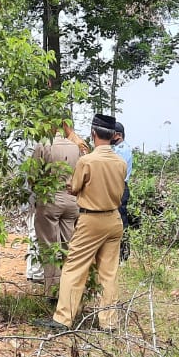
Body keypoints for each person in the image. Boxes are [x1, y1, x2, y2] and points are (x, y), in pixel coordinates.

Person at [37, 114, 128, 332]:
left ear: (93, 133)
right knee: (108, 273)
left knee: (73, 268)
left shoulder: (87, 161)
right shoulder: (121, 162)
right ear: (113, 136)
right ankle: (109, 322)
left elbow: (74, 186)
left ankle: (63, 319)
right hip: (114, 220)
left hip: (92, 219)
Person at [30, 123, 83, 300]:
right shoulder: (76, 146)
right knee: (69, 246)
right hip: (72, 200)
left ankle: (53, 293)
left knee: (50, 247)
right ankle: (71, 291)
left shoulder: (44, 144)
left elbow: (33, 175)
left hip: (50, 199)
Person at [112, 121, 134, 261]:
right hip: (115, 186)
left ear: (118, 135)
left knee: (121, 220)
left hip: (120, 186)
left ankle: (124, 253)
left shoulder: (123, 150)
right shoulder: (115, 148)